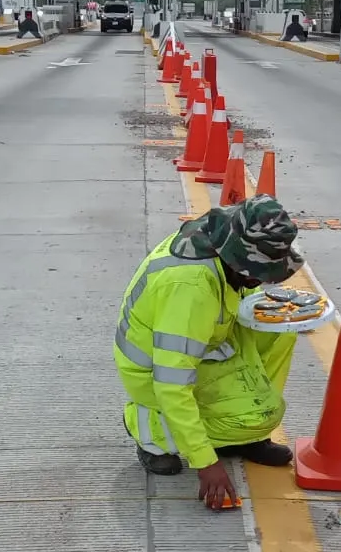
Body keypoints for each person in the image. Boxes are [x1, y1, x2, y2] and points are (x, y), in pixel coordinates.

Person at [114, 197, 302, 510]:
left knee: (281, 328)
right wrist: (205, 463)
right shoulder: (190, 288)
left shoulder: (224, 233)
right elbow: (172, 383)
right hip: (153, 370)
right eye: (257, 272)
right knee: (244, 418)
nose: (263, 279)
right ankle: (148, 428)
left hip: (207, 337)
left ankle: (244, 431)